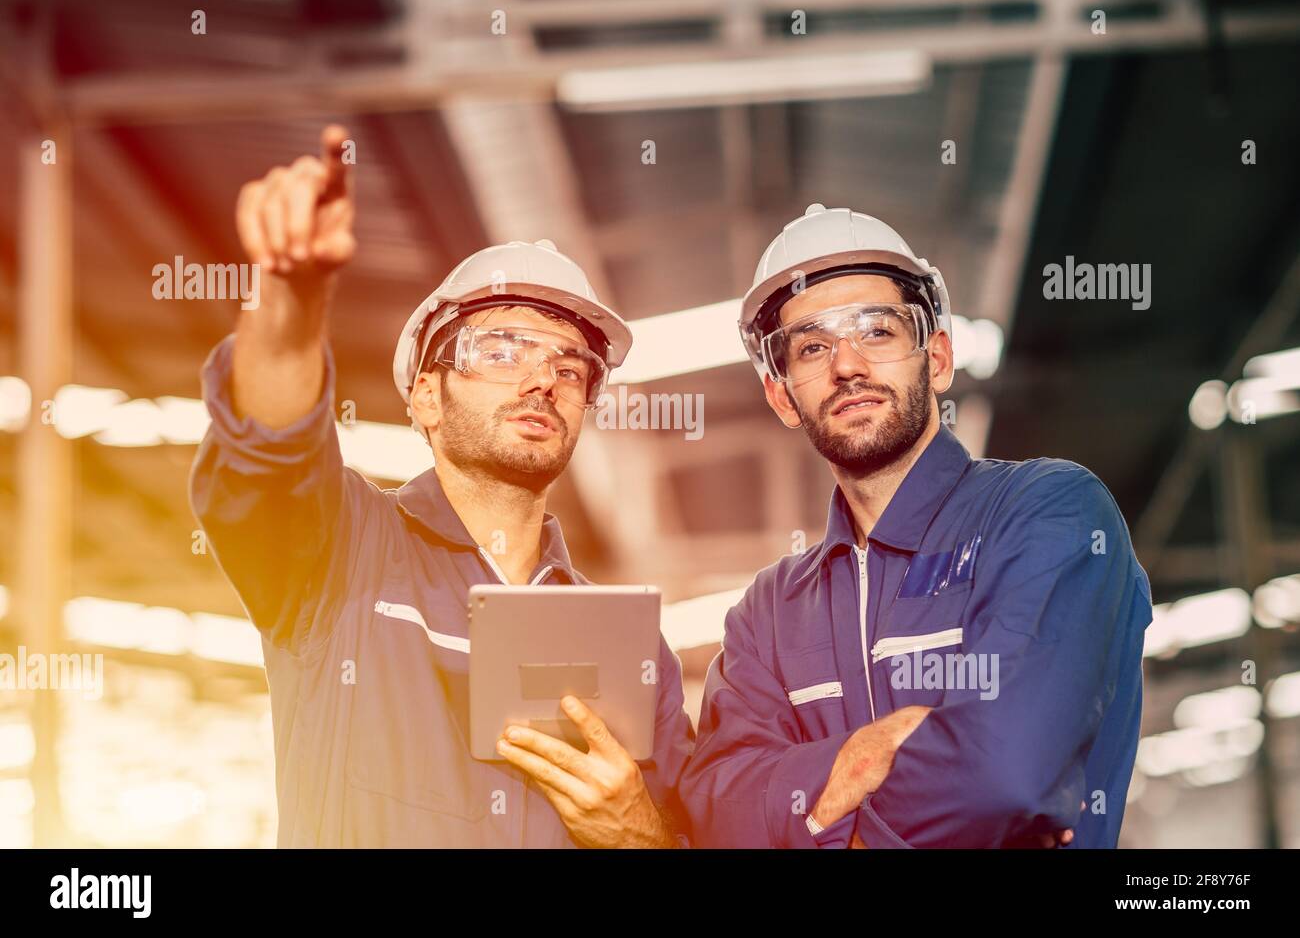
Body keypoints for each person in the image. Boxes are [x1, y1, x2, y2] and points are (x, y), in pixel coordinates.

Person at [190, 125, 693, 847]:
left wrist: (639, 833)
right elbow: (268, 449)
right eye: (499, 350)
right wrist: (291, 299)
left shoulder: (633, 647)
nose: (540, 379)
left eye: (570, 366)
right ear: (425, 397)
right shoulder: (340, 552)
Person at [679, 204, 1152, 848]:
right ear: (782, 396)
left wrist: (816, 821)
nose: (847, 365)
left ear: (937, 359)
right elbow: (713, 813)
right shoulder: (768, 611)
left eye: (877, 331)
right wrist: (859, 757)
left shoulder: (1049, 512)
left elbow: (1004, 772)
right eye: (813, 346)